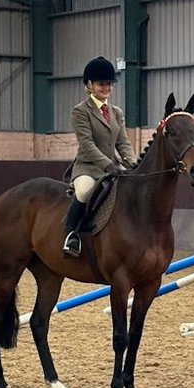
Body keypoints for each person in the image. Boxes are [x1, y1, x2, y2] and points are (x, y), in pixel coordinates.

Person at [62, 56, 138, 256]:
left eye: (109, 84)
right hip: (88, 167)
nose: (106, 88)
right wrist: (107, 165)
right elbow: (86, 145)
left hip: (113, 167)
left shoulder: (116, 112)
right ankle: (72, 235)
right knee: (85, 191)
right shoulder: (80, 111)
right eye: (101, 84)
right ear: (90, 85)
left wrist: (134, 164)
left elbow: (122, 142)